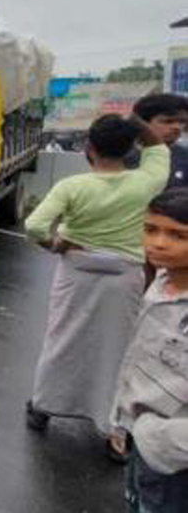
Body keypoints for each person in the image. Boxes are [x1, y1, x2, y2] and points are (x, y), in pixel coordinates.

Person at [24, 114, 169, 459]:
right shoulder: (145, 181)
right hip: (125, 274)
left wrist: (55, 245)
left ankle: (44, 405)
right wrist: (134, 122)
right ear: (130, 149)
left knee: (62, 337)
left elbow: (35, 226)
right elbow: (159, 147)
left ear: (89, 148)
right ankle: (113, 428)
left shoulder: (72, 187)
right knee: (118, 349)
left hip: (77, 268)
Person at [113, 188, 188, 512]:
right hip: (142, 437)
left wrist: (160, 439)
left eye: (178, 235)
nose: (158, 243)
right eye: (150, 229)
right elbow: (137, 357)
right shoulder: (161, 282)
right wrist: (120, 418)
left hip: (173, 457)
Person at [131, 93, 188, 187]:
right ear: (143, 123)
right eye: (168, 121)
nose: (177, 127)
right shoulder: (118, 157)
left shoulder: (184, 156)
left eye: (182, 121)